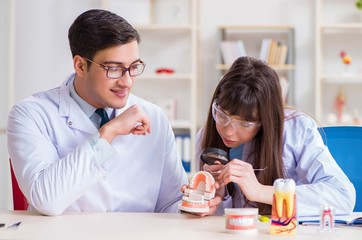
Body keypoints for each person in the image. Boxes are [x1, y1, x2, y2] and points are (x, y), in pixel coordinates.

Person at [7, 9, 188, 216]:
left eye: (134, 67)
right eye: (114, 68)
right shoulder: (30, 114)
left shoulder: (154, 116)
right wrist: (108, 133)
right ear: (81, 65)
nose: (127, 82)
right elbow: (47, 200)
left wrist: (198, 202)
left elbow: (170, 203)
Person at [196, 56, 356, 216]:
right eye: (223, 115)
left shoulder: (297, 130)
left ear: (266, 120)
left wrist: (260, 191)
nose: (229, 131)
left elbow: (342, 196)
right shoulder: (207, 135)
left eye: (245, 123)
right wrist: (213, 198)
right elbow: (224, 217)